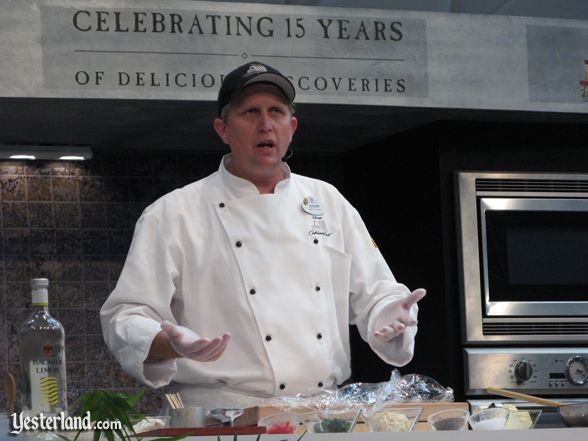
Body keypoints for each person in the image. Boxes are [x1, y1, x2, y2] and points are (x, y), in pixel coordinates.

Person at [100, 61, 426, 410]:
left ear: (292, 127)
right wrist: (170, 342)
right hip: (221, 417)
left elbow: (377, 293)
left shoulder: (328, 201)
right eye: (250, 112)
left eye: (276, 111)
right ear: (223, 129)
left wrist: (388, 315)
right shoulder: (173, 213)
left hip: (320, 413)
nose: (265, 124)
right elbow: (125, 316)